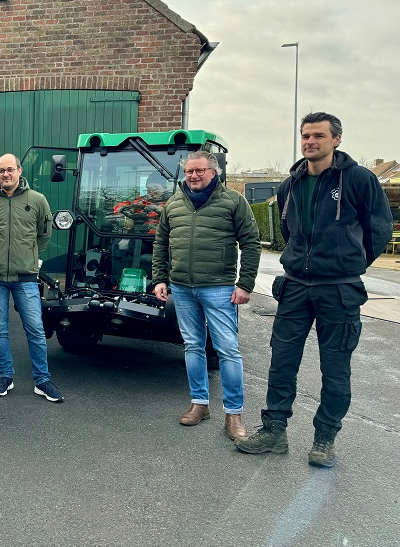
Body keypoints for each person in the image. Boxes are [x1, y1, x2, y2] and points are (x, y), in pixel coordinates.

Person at [236, 112, 392, 467]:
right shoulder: (290, 184)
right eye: (305, 135)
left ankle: (325, 438)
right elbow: (290, 234)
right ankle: (274, 431)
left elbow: (379, 230)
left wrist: (350, 264)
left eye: (318, 136)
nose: (310, 141)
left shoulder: (360, 180)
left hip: (339, 290)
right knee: (281, 363)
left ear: (336, 139)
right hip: (294, 288)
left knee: (335, 369)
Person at [152, 151, 261, 440]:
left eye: (199, 170)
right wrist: (159, 279)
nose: (193, 176)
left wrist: (245, 284)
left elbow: (251, 243)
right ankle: (199, 404)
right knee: (192, 346)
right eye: (189, 171)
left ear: (214, 172)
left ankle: (234, 413)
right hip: (182, 288)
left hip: (220, 288)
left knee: (227, 349)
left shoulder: (233, 202)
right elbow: (161, 244)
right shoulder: (174, 204)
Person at [0, 154, 63, 402]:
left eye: (10, 170)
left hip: (26, 278)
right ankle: (5, 377)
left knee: (34, 329)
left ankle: (42, 380)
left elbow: (43, 235)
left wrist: (27, 257)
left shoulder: (37, 201)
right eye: (1, 171)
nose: (5, 175)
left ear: (20, 171)